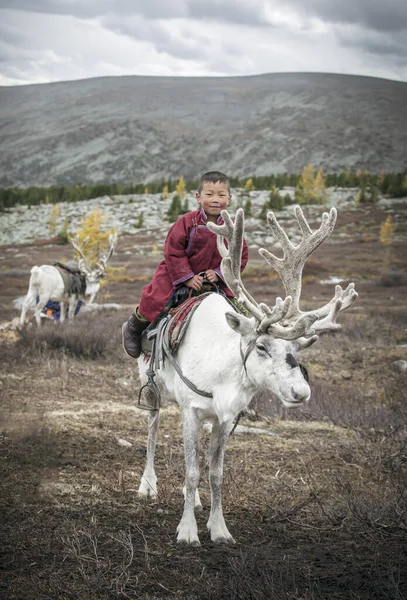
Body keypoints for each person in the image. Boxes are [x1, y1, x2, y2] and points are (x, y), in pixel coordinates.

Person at [122, 170, 249, 358]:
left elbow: (240, 256)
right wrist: (187, 277)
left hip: (214, 280)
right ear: (198, 197)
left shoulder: (232, 228)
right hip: (178, 274)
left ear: (229, 198)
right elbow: (173, 250)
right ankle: (134, 326)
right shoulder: (187, 222)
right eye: (209, 194)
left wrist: (219, 273)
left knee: (240, 310)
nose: (215, 199)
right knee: (156, 298)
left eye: (221, 195)